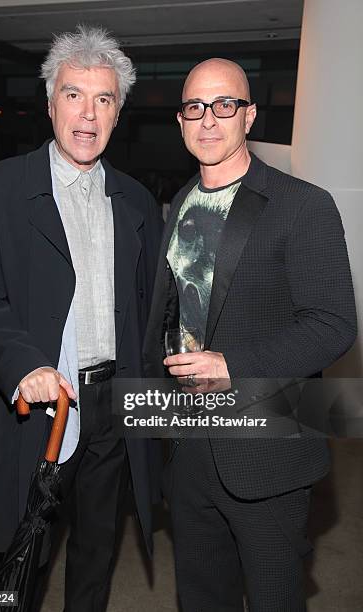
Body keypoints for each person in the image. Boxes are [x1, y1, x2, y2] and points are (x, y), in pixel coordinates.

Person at [0, 25, 162, 612]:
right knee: (19, 561)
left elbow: (148, 310)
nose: (88, 114)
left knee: (97, 554)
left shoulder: (135, 201)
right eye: (74, 95)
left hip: (113, 408)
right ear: (50, 104)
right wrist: (23, 365)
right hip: (42, 409)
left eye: (104, 99)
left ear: (118, 113)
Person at [143, 58, 357, 611]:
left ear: (249, 115)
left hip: (267, 454)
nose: (208, 120)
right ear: (181, 121)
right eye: (195, 107)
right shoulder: (179, 203)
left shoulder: (303, 205)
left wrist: (231, 364)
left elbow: (333, 324)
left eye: (224, 105)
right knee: (201, 598)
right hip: (188, 450)